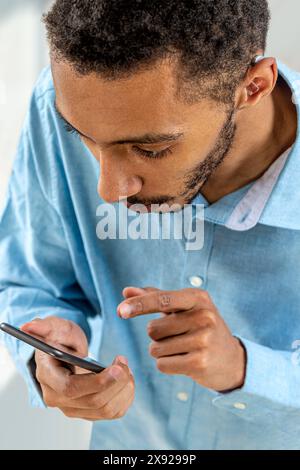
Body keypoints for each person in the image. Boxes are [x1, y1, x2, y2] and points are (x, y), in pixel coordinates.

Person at [0, 0, 300, 450]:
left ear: (253, 87)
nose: (108, 190)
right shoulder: (67, 102)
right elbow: (29, 278)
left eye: (151, 149)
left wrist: (243, 367)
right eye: (82, 137)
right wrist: (46, 350)